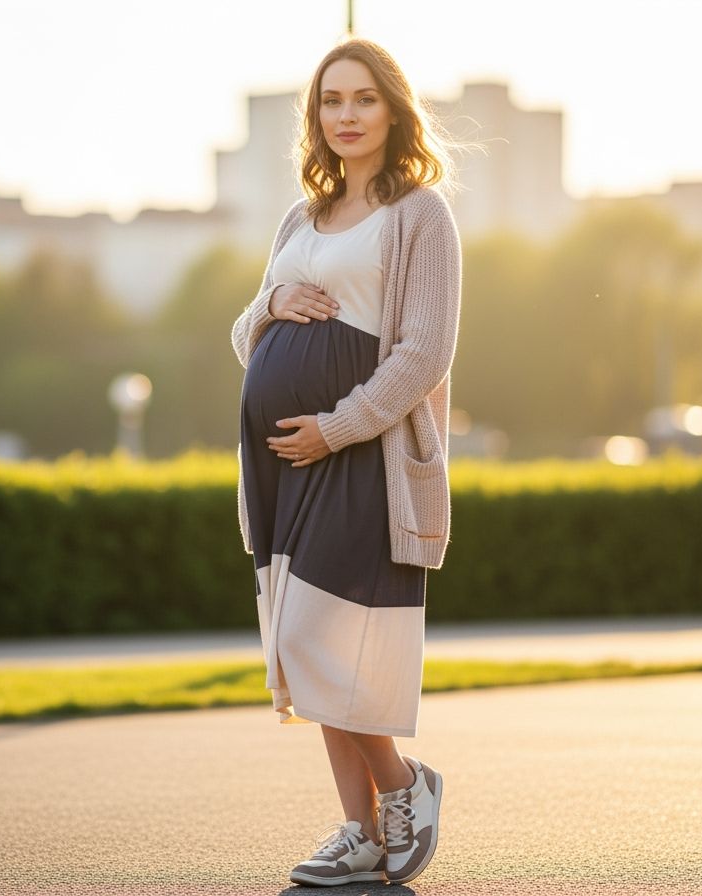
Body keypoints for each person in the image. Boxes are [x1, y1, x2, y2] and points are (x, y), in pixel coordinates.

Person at [230, 37, 468, 887]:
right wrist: (271, 304)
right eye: (332, 101)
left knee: (320, 642)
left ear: (393, 109)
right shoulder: (300, 219)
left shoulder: (420, 215)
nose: (347, 116)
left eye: (364, 99)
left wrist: (339, 425)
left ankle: (405, 788)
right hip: (287, 468)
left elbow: (425, 351)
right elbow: (241, 338)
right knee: (306, 652)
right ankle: (359, 832)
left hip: (364, 459)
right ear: (316, 116)